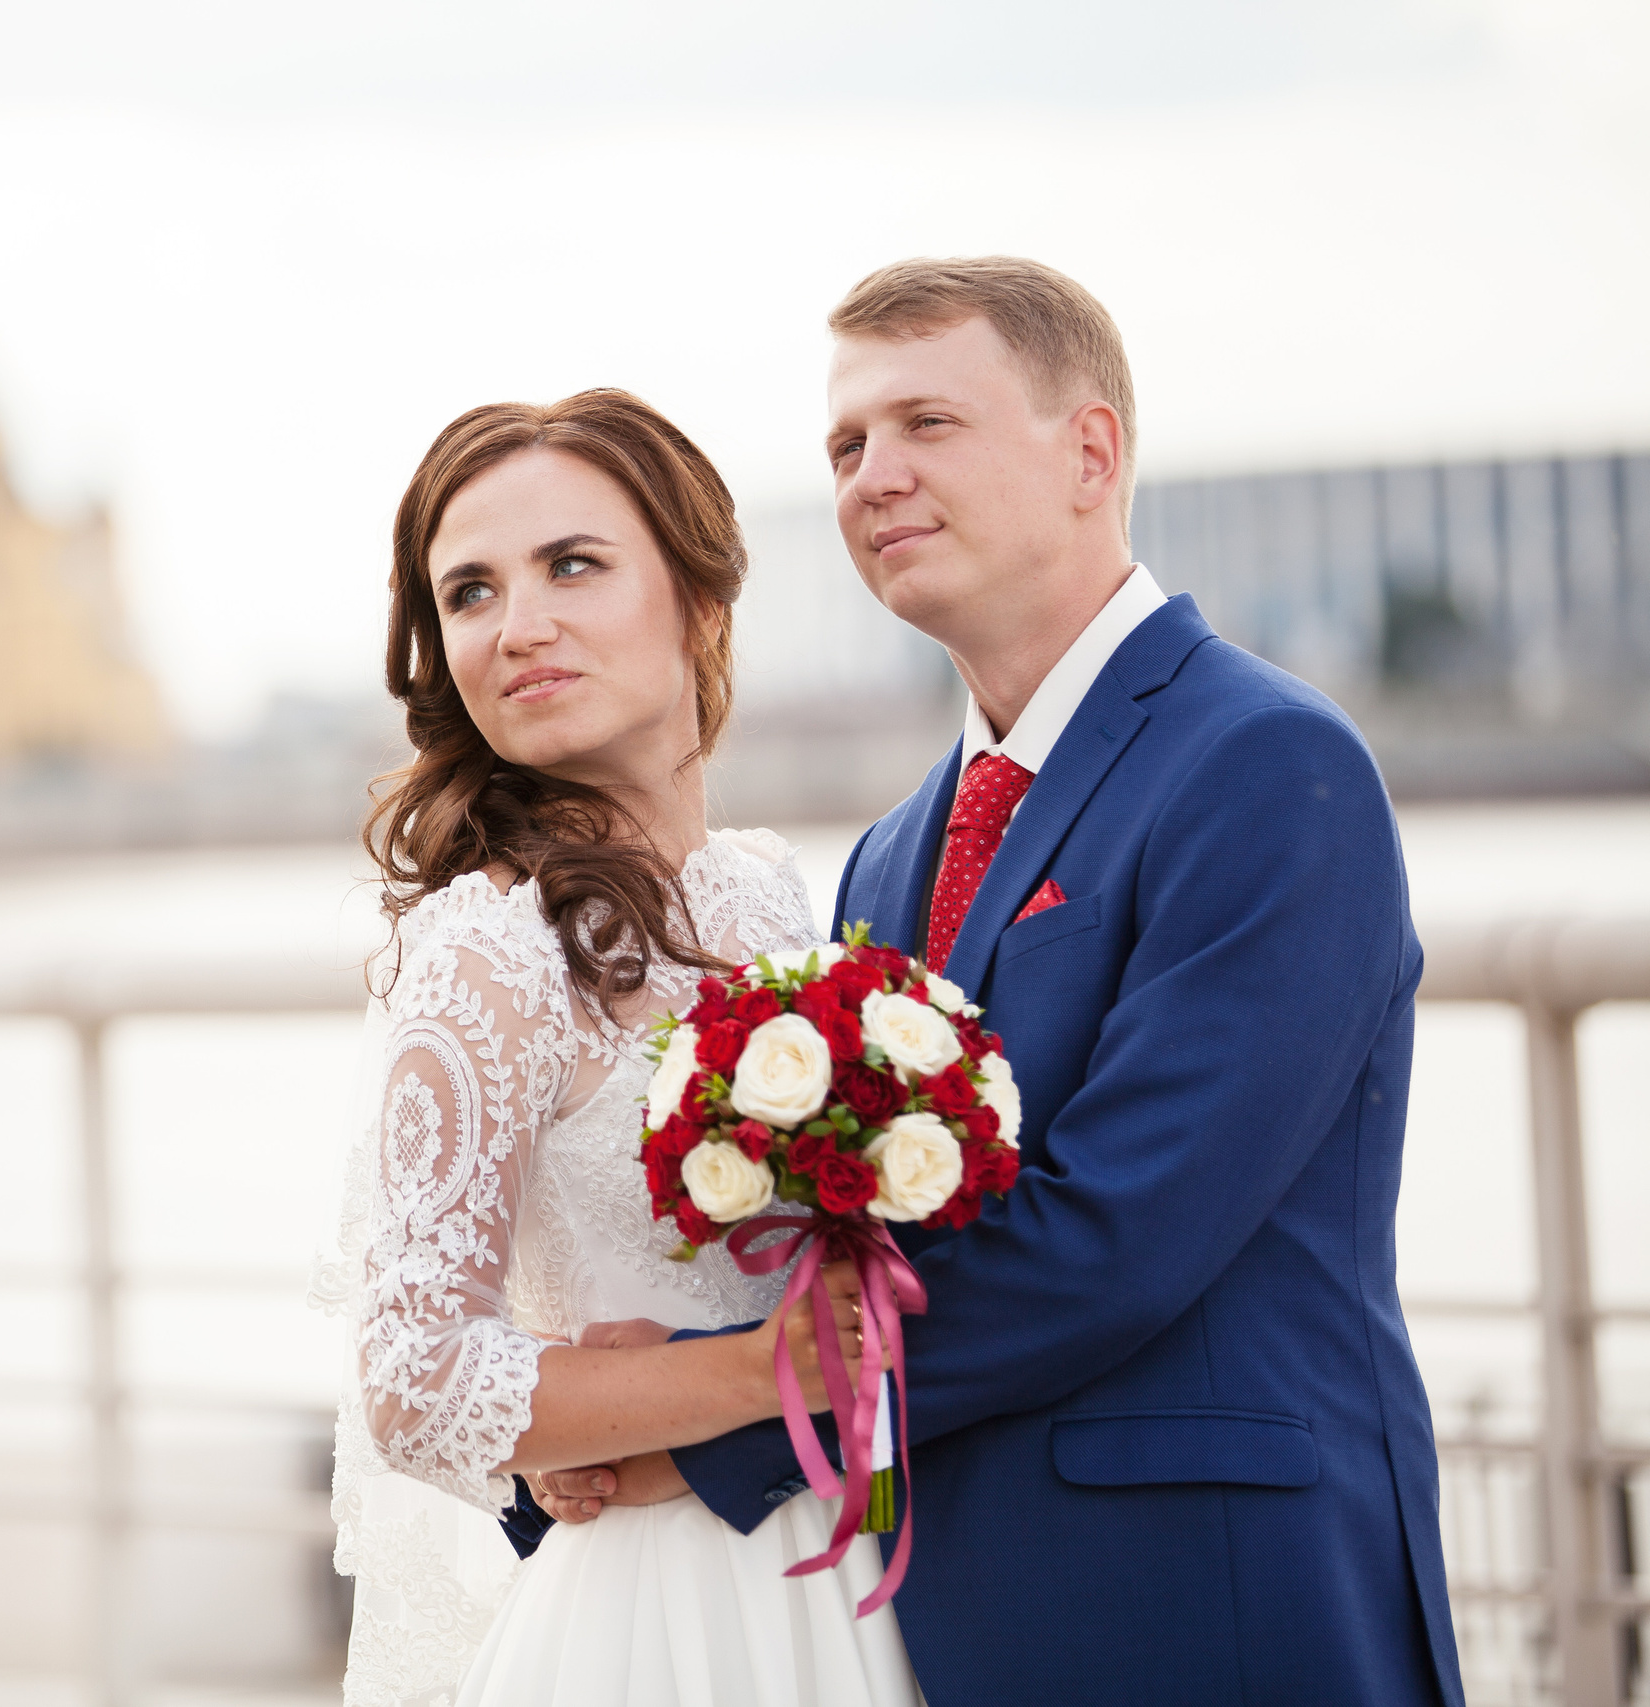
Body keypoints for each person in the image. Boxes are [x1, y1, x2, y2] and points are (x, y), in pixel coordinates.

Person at [535, 258, 1465, 1707]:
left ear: (1091, 451)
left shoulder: (1268, 766)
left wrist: (710, 1421)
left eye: (925, 424)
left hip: (1213, 1597)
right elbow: (848, 1241)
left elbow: (1120, 1234)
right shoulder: (893, 857)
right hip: (936, 1613)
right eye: (845, 446)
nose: (871, 477)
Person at [317, 389, 920, 1707]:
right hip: (653, 1605)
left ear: (701, 598)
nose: (518, 625)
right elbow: (415, 1381)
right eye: (468, 592)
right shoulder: (492, 949)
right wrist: (760, 1374)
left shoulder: (768, 897)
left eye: (572, 565)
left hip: (840, 1567)